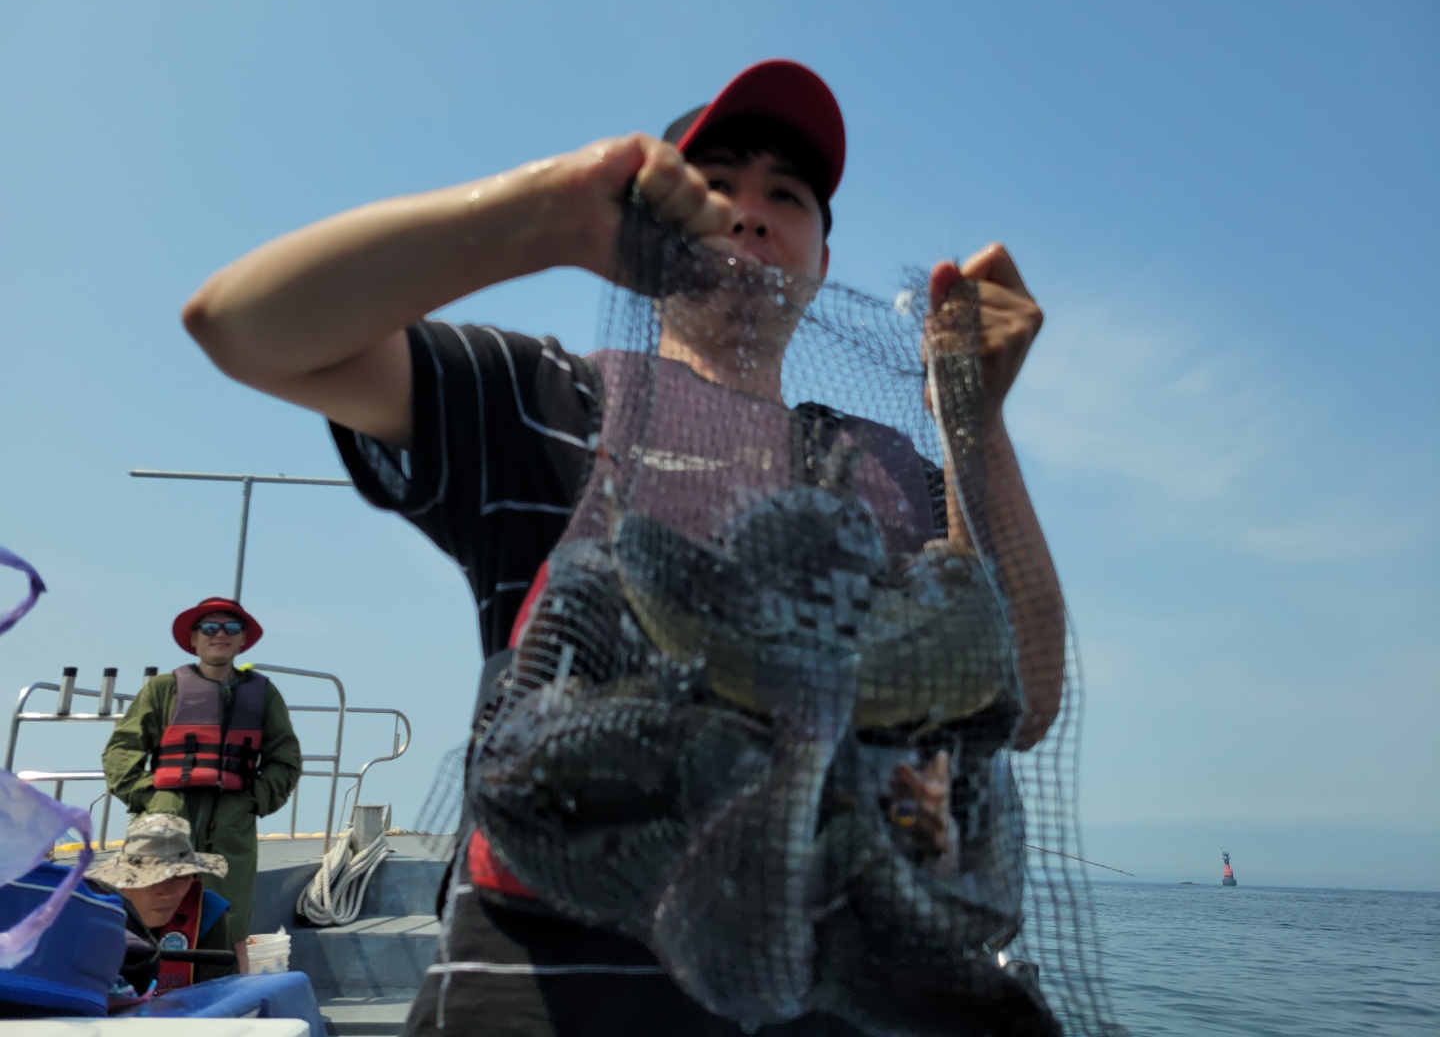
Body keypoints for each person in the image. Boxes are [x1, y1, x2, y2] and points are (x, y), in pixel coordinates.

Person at [181, 60, 1064, 1035]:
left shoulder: (886, 467)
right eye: (711, 185)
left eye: (788, 195)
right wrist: (549, 216)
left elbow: (1018, 696)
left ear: (820, 255)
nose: (748, 211)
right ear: (646, 231)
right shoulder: (551, 400)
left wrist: (974, 421)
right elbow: (244, 326)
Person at [102, 597, 303, 968]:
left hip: (232, 824)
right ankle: (131, 990)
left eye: (231, 628)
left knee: (231, 921)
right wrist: (151, 797)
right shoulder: (162, 690)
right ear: (194, 639)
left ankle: (226, 1001)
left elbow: (285, 757)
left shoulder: (264, 694)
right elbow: (121, 750)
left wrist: (254, 799)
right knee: (147, 909)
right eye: (210, 627)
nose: (220, 635)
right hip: (164, 821)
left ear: (244, 641)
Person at [86, 813, 238, 992]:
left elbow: (224, 996)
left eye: (180, 877)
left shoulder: (208, 913)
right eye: (152, 880)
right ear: (123, 883)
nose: (168, 894)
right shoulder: (96, 915)